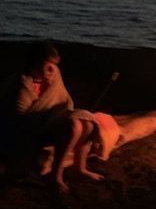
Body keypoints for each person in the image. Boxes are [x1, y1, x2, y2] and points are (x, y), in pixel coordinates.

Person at [0, 41, 108, 192]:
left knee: (87, 123)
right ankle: (55, 177)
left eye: (54, 64)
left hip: (52, 120)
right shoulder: (20, 85)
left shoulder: (53, 73)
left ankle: (80, 168)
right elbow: (19, 122)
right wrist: (52, 119)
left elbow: (63, 101)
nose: (52, 69)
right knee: (73, 126)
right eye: (47, 64)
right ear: (35, 63)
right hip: (30, 130)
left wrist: (59, 116)